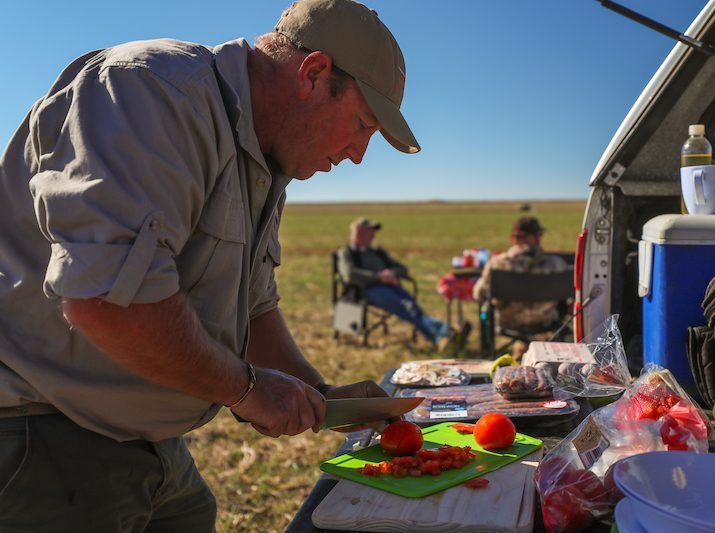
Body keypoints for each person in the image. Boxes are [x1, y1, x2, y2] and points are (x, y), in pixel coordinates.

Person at [0, 0, 418, 530]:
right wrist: (247, 390)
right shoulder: (152, 91)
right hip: (47, 438)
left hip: (149, 443)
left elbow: (253, 309)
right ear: (313, 75)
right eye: (361, 125)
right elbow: (106, 302)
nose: (358, 154)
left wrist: (320, 396)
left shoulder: (268, 158)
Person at [337, 218, 470, 351]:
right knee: (408, 309)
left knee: (413, 308)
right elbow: (349, 274)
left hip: (391, 286)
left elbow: (402, 268)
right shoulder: (347, 252)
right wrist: (379, 277)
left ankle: (443, 336)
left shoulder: (377, 251)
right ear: (358, 233)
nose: (373, 235)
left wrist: (392, 273)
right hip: (367, 290)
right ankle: (444, 333)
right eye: (370, 232)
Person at [473, 217, 569, 335]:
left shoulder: (496, 264)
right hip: (545, 322)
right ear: (537, 238)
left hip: (508, 322)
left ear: (512, 239)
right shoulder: (557, 265)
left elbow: (478, 294)